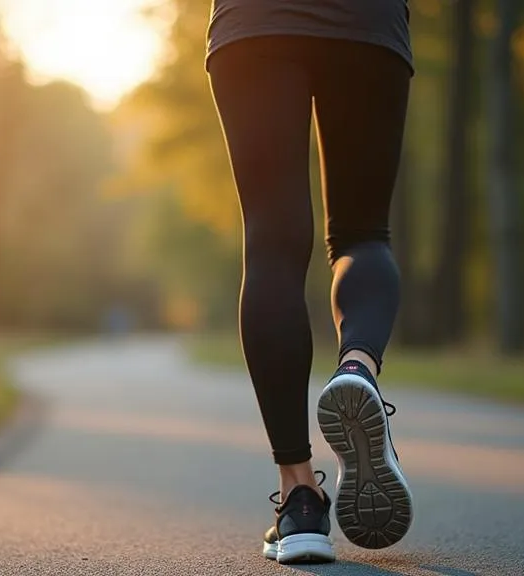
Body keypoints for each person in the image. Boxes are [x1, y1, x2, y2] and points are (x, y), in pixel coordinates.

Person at [205, 0, 415, 564]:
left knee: (272, 244)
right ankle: (358, 371)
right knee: (362, 236)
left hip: (255, 25)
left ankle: (300, 499)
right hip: (368, 25)